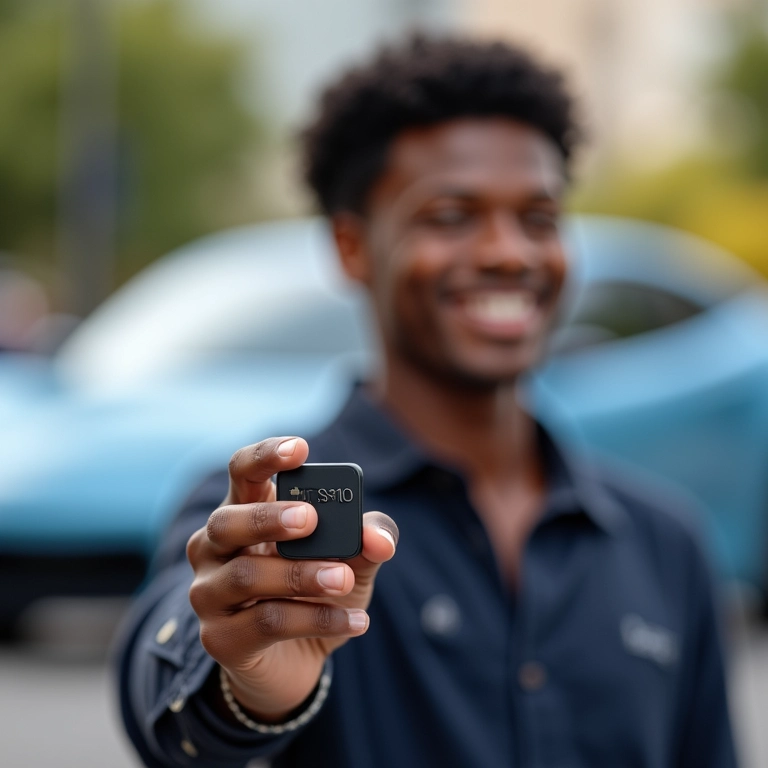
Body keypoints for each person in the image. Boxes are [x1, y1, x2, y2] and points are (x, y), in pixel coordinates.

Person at [115, 35, 738, 768]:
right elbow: (163, 698)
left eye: (538, 218)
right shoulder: (283, 518)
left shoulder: (665, 544)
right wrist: (246, 687)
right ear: (352, 247)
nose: (509, 252)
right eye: (451, 216)